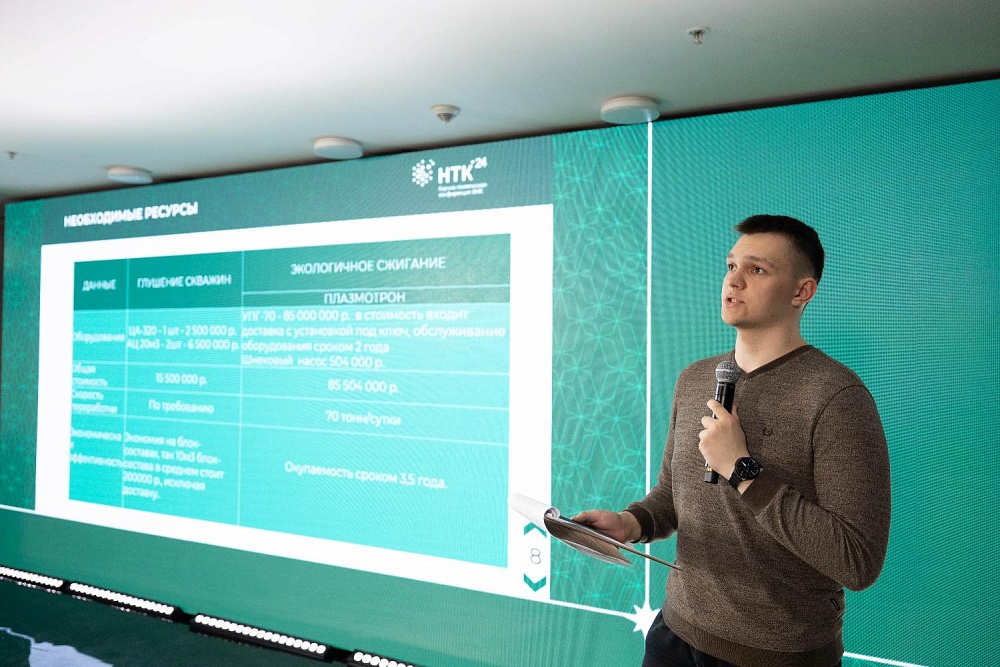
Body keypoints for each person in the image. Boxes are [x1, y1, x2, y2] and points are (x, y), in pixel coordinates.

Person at [574, 215, 891, 667]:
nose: (734, 280)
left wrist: (743, 470)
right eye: (731, 266)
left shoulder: (837, 398)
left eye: (757, 269)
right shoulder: (695, 379)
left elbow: (856, 560)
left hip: (776, 657)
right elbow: (673, 495)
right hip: (674, 635)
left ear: (802, 292)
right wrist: (630, 523)